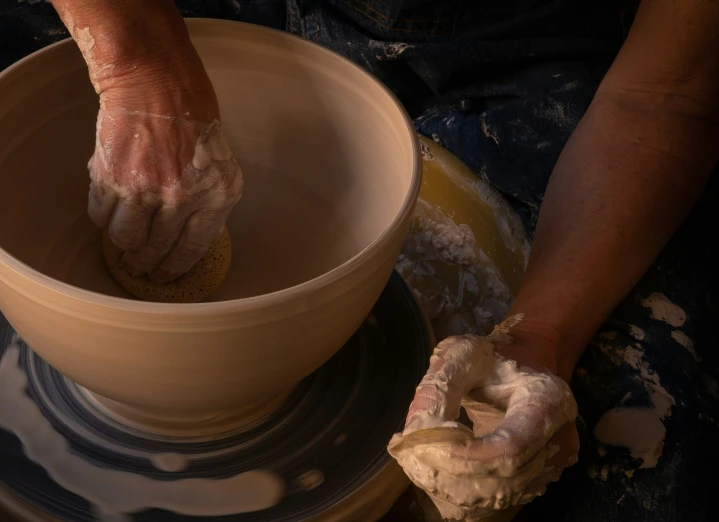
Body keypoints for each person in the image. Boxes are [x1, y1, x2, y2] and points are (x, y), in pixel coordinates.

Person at [47, 0, 719, 519]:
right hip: (181, 16)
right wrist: (138, 62)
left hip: (518, 48)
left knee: (659, 443)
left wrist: (541, 335)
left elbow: (664, 94)